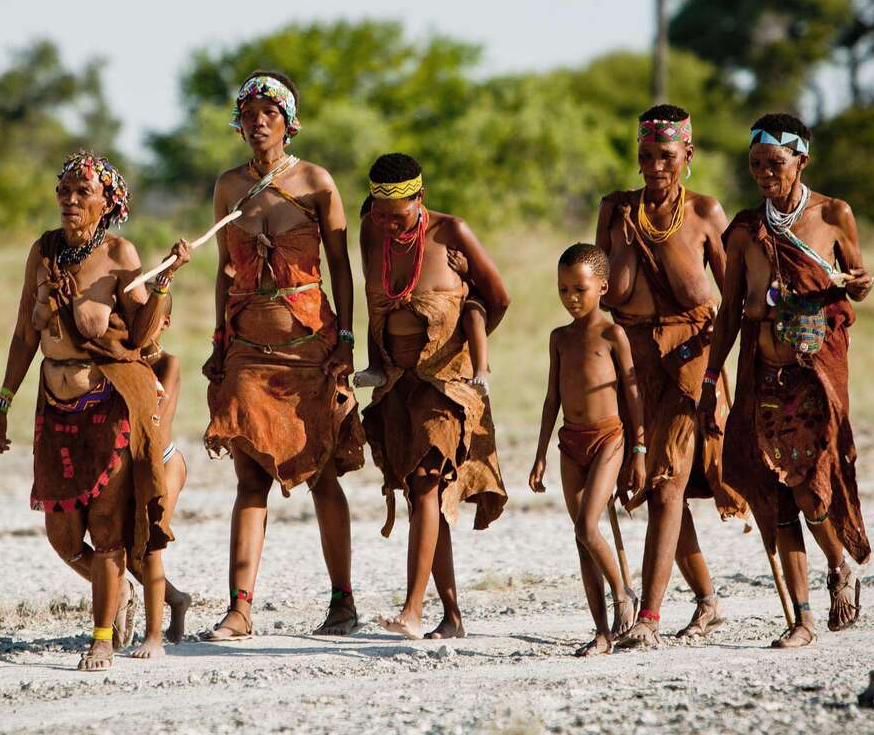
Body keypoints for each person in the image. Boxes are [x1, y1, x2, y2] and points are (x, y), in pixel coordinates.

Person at [0, 151, 191, 669]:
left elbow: (144, 334)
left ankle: (102, 638)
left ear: (107, 203)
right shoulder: (43, 251)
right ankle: (143, 595)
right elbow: (23, 335)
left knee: (106, 531)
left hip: (108, 403)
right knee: (61, 535)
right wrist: (3, 401)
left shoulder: (121, 254)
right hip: (54, 409)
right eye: (65, 191)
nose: (70, 200)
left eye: (83, 192)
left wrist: (164, 283)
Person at [698, 113, 874, 648]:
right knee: (772, 493)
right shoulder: (745, 231)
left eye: (774, 163)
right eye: (756, 164)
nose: (763, 174)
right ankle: (801, 619)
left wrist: (860, 285)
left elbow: (856, 284)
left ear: (801, 159)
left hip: (814, 378)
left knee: (807, 488)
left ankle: (838, 563)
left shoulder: (833, 214)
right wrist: (712, 375)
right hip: (763, 378)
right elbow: (731, 310)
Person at [200, 71, 365, 640]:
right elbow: (225, 271)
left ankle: (343, 603)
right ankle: (240, 609)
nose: (257, 121)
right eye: (248, 113)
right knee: (250, 478)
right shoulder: (227, 188)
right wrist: (218, 344)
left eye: (269, 112)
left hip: (310, 350)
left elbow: (341, 267)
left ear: (288, 120)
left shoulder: (316, 182)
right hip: (246, 348)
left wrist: (346, 340)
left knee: (322, 475)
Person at [596, 105, 744, 649]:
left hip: (691, 357)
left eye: (665, 156)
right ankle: (707, 601)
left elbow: (735, 301)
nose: (654, 167)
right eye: (645, 156)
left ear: (688, 156)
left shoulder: (705, 213)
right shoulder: (615, 211)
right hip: (633, 359)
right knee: (650, 484)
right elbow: (599, 293)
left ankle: (649, 618)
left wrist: (723, 369)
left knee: (666, 483)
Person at [358, 153, 510, 641]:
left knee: (426, 483)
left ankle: (412, 610)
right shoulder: (370, 232)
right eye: (380, 213)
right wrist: (373, 366)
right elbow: (370, 301)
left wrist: (470, 352)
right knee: (422, 494)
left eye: (397, 215)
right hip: (397, 383)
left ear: (420, 200)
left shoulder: (451, 233)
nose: (386, 223)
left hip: (446, 383)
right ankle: (452, 615)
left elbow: (496, 297)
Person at [528, 245, 647, 656]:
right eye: (563, 289)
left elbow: (632, 396)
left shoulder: (613, 335)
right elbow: (551, 399)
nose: (571, 298)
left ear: (603, 287)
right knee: (583, 539)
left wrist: (640, 450)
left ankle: (623, 593)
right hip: (570, 442)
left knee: (586, 526)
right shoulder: (559, 338)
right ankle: (601, 632)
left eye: (579, 289)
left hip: (608, 439)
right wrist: (542, 453)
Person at [55, 324, 193, 646]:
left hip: (163, 462)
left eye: (149, 321)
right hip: (129, 463)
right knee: (124, 553)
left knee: (148, 548)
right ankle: (175, 599)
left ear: (165, 323)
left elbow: (152, 421)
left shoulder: (167, 363)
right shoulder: (123, 364)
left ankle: (154, 634)